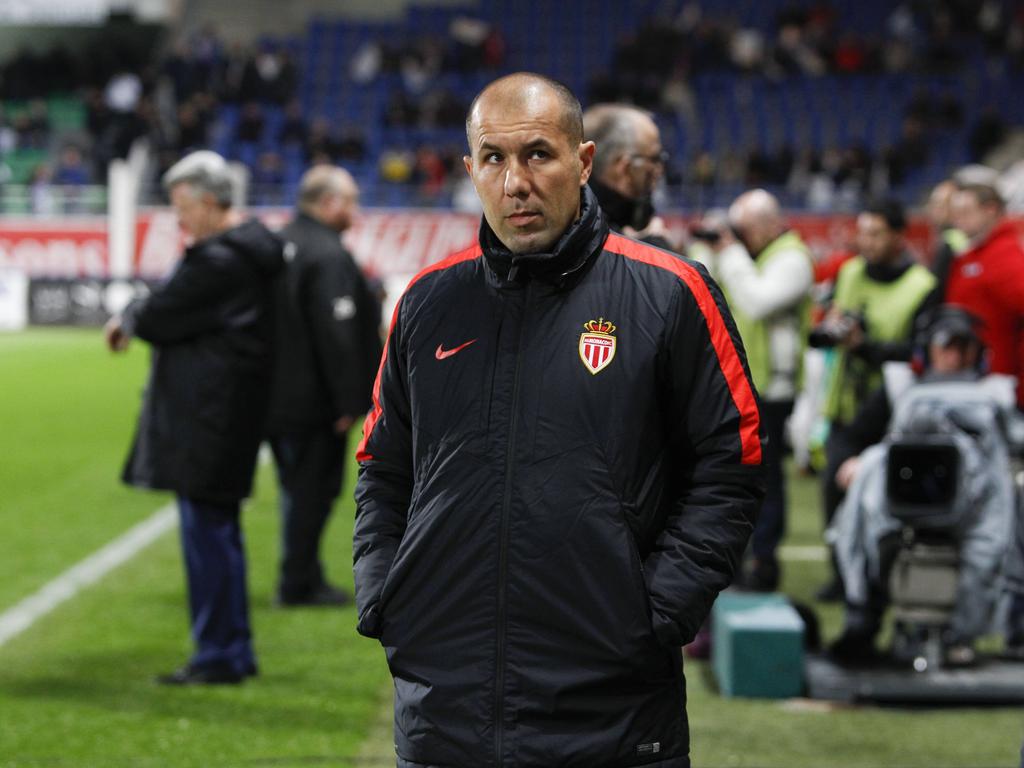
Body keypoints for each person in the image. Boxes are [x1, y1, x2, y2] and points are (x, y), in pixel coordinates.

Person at [352, 72, 764, 768]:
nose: (515, 182)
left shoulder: (670, 293)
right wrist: (387, 595)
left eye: (538, 154)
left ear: (584, 163)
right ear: (469, 170)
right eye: (494, 158)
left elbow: (733, 466)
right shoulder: (428, 304)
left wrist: (654, 613)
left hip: (611, 710)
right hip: (444, 708)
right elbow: (383, 467)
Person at [105, 150, 284, 685]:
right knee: (218, 534)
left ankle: (220, 655)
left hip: (207, 418)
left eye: (183, 206)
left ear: (210, 201)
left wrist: (131, 315)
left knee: (208, 538)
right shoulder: (251, 252)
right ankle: (231, 649)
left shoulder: (219, 260)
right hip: (228, 413)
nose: (178, 219)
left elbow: (161, 315)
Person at [828, 307, 1021, 664]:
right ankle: (863, 618)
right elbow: (852, 437)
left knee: (995, 542)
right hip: (896, 499)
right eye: (947, 346)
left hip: (976, 501)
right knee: (863, 500)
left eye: (964, 347)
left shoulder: (996, 397)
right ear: (925, 350)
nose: (955, 355)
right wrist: (853, 461)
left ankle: (968, 632)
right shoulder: (900, 387)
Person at [266, 166, 382, 607]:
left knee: (295, 487)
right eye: (350, 201)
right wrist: (348, 400)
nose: (354, 210)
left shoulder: (280, 244)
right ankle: (298, 581)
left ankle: (301, 572)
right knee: (313, 490)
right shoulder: (328, 253)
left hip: (275, 395)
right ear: (328, 202)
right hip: (314, 400)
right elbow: (337, 334)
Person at [814, 199, 936, 601]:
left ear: (899, 236)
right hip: (845, 405)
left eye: (876, 233)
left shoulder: (921, 286)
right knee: (832, 492)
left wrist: (866, 347)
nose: (866, 241)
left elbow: (918, 354)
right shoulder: (849, 272)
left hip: (890, 412)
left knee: (886, 503)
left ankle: (881, 583)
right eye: (862, 232)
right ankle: (841, 575)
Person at [703, 189, 813, 591]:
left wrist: (730, 253)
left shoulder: (791, 259)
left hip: (774, 388)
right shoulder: (754, 256)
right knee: (740, 474)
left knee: (765, 479)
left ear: (769, 225)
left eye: (745, 230)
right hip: (744, 382)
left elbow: (756, 302)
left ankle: (764, 563)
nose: (739, 238)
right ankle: (741, 559)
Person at [946, 181, 1024, 409]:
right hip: (972, 379)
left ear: (990, 210)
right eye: (955, 213)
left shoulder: (1004, 254)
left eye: (965, 212)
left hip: (999, 385)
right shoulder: (973, 253)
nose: (957, 219)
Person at [582, 102, 676, 250]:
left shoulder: (634, 211)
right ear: (624, 167)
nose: (660, 169)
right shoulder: (584, 229)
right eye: (654, 159)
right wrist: (653, 248)